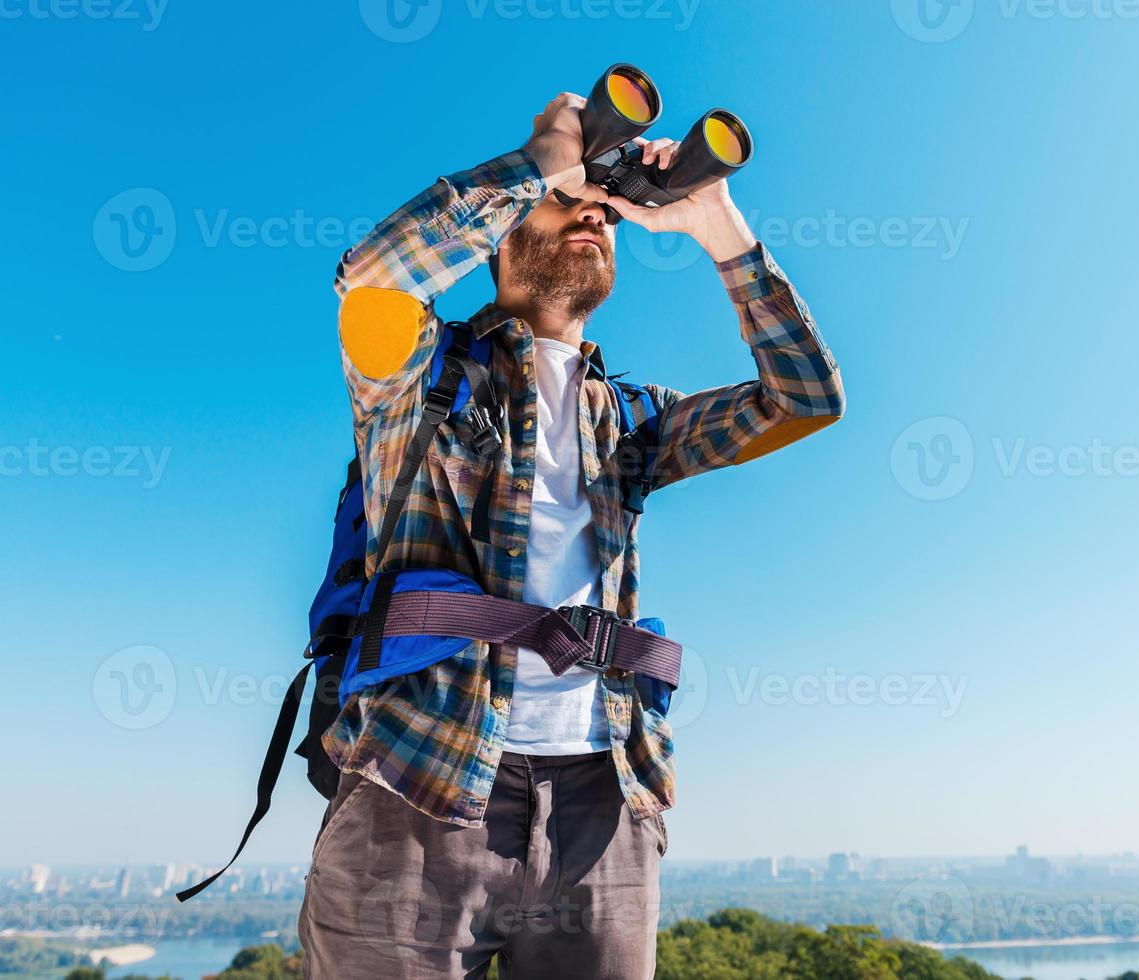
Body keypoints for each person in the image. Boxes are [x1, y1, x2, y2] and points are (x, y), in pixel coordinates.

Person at [297, 91, 845, 979]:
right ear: (506, 232)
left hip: (606, 796)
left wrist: (716, 224)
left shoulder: (633, 419)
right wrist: (545, 161)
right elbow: (374, 278)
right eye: (567, 203)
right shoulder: (411, 373)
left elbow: (804, 399)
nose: (592, 213)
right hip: (417, 783)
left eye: (604, 211)